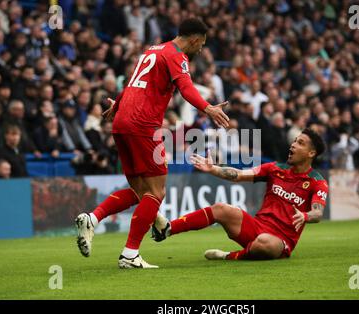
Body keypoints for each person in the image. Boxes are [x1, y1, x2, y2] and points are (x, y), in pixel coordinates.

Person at [75, 18, 230, 269]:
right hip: (143, 125)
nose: (200, 49)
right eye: (201, 44)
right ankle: (129, 254)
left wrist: (119, 104)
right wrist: (208, 108)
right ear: (193, 40)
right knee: (157, 192)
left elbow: (132, 83)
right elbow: (186, 87)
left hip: (122, 123)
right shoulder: (177, 56)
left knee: (141, 193)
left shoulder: (152, 50)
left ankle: (92, 218)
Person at [152, 128, 328, 261]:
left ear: (311, 153)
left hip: (281, 240)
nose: (293, 144)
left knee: (264, 242)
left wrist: (305, 216)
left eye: (300, 143)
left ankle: (228, 256)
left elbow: (318, 212)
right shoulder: (275, 169)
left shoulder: (317, 181)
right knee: (221, 208)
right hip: (257, 226)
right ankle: (168, 229)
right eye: (295, 141)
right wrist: (213, 169)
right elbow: (239, 175)